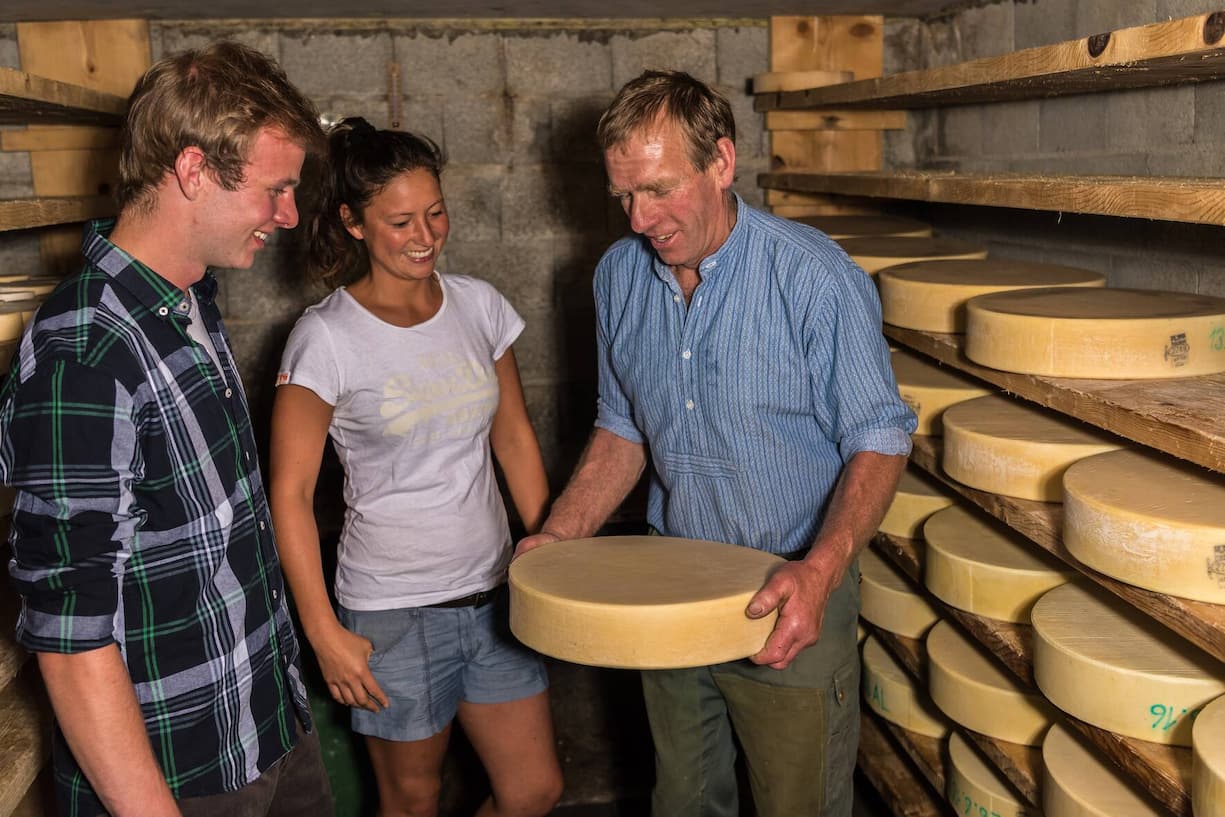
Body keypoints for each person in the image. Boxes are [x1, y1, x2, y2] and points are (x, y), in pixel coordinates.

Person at [516, 70, 916, 817]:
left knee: (798, 804)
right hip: (670, 588)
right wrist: (560, 536)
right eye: (624, 196)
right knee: (684, 799)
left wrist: (819, 572)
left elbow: (880, 436)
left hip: (789, 587)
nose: (641, 219)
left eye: (659, 189)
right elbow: (622, 425)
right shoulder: (617, 278)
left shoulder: (814, 277)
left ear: (722, 162)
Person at [0, 42, 332, 817]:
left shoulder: (187, 300)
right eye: (276, 189)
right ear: (192, 170)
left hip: (266, 721)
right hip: (182, 773)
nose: (287, 215)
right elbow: (71, 637)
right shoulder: (85, 353)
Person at [269, 117, 563, 817]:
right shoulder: (325, 337)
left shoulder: (479, 305)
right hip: (392, 612)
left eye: (435, 213)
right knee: (410, 802)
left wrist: (554, 555)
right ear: (353, 223)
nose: (425, 235)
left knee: (534, 791)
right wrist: (323, 633)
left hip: (497, 594)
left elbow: (514, 437)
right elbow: (289, 494)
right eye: (400, 222)